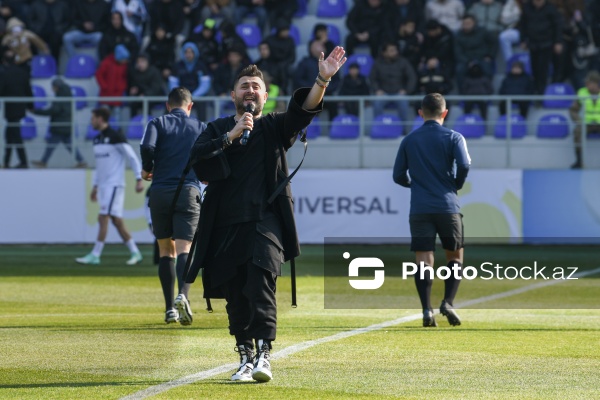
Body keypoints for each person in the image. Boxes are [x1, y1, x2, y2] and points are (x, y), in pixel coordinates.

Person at [185, 48, 347, 382]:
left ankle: (263, 356)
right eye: (244, 86)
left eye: (255, 86)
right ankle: (244, 356)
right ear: (233, 94)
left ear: (265, 95)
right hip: (223, 227)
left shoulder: (274, 127)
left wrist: (323, 79)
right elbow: (198, 162)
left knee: (261, 286)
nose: (250, 91)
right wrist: (230, 137)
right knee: (235, 294)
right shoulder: (215, 128)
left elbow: (303, 112)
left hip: (265, 223)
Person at [392, 93, 471, 328]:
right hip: (448, 206)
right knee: (455, 256)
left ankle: (427, 309)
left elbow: (397, 175)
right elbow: (465, 164)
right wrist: (456, 183)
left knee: (423, 261)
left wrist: (414, 184)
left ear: (420, 113)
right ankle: (447, 302)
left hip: (420, 207)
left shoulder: (409, 140)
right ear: (445, 113)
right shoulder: (454, 137)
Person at [139, 87, 207, 325]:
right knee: (185, 248)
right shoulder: (200, 127)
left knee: (165, 250)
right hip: (188, 191)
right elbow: (211, 153)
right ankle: (183, 296)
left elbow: (147, 147)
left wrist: (147, 168)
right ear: (190, 106)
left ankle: (170, 309)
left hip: (159, 192)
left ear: (168, 106)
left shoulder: (157, 123)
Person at [76, 107, 145, 266]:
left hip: (115, 185)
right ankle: (135, 252)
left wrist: (138, 178)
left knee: (102, 217)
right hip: (104, 186)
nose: (91, 121)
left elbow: (132, 157)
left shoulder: (116, 137)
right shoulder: (97, 139)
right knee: (116, 221)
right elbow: (100, 167)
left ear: (100, 119)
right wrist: (95, 186)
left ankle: (95, 254)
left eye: (93, 118)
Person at [30, 78, 87, 168]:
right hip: (66, 125)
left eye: (52, 87)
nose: (52, 89)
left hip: (60, 126)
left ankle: (43, 162)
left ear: (56, 87)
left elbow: (53, 111)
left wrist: (36, 112)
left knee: (52, 145)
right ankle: (81, 161)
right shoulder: (68, 95)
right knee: (68, 145)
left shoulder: (60, 97)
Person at [0, 47, 32, 168]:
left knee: (15, 137)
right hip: (20, 108)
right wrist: (31, 106)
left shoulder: (4, 73)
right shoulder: (23, 73)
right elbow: (28, 90)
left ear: (4, 61)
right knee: (10, 135)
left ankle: (23, 162)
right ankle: (7, 162)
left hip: (10, 110)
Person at [569, 70, 600, 169]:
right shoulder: (582, 92)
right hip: (586, 124)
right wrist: (579, 122)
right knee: (577, 132)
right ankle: (579, 161)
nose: (586, 84)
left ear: (596, 83)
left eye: (589, 82)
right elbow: (573, 110)